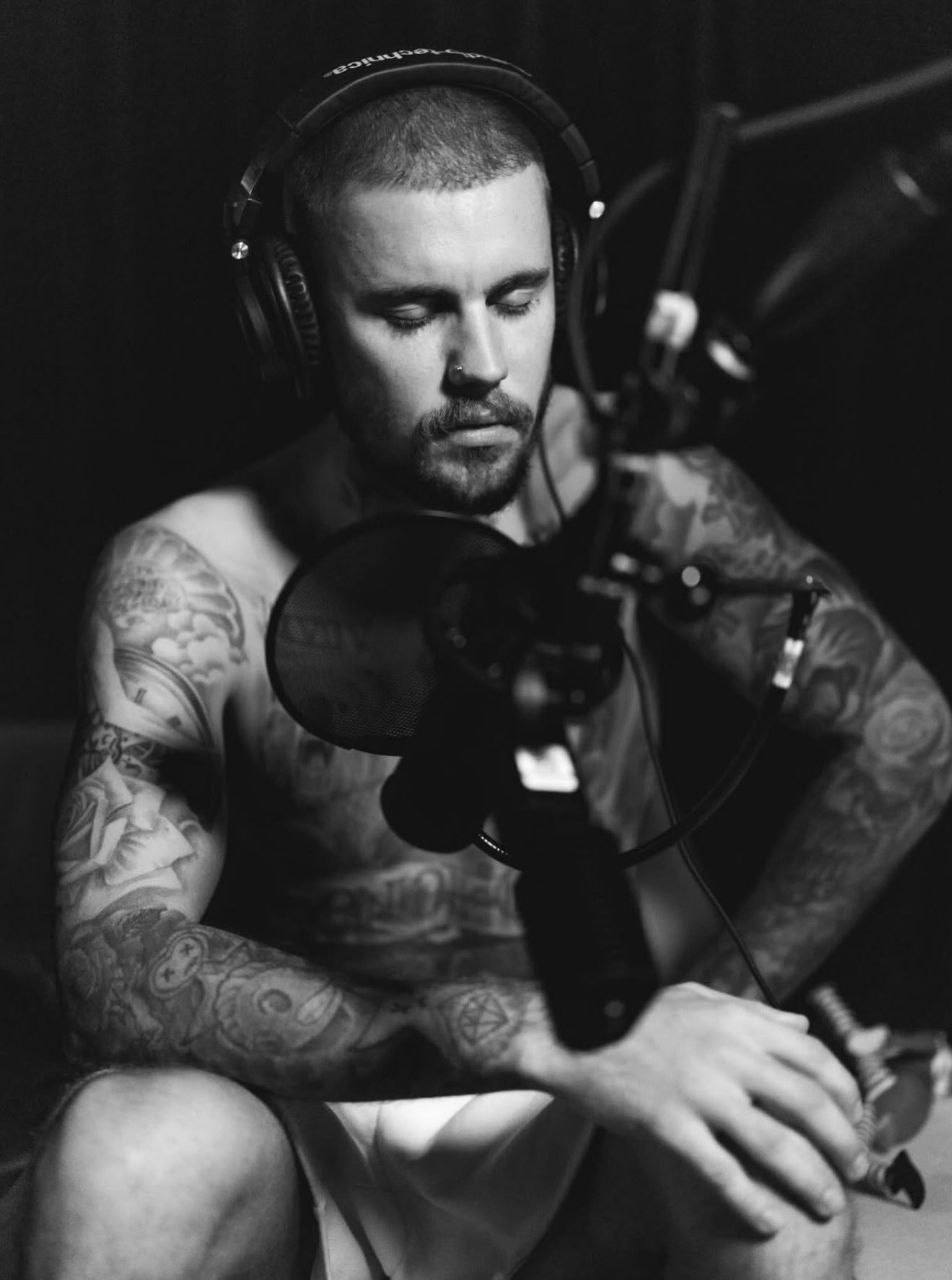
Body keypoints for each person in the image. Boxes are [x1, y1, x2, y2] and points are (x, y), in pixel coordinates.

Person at [13, 49, 952, 1280]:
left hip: (600, 1114)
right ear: (296, 314)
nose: (483, 365)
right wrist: (522, 1029)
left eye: (516, 296)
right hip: (320, 1118)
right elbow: (110, 965)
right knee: (124, 1150)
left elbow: (903, 732)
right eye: (411, 313)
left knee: (771, 1179)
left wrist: (719, 1005)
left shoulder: (639, 494)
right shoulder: (189, 573)